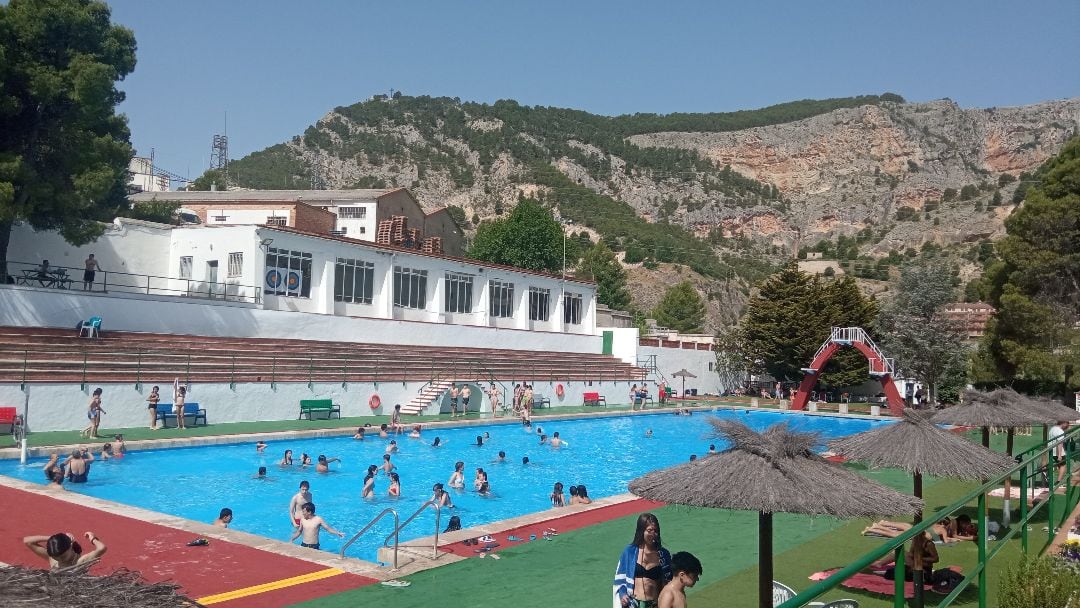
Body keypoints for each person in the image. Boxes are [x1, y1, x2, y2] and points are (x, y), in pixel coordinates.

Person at [613, 513, 673, 608]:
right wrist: (623, 594)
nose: (653, 534)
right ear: (641, 531)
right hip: (633, 603)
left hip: (654, 604)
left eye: (656, 531)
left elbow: (669, 582)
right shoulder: (629, 552)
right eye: (649, 530)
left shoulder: (663, 554)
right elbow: (620, 579)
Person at [24, 532, 107, 570]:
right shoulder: (52, 558)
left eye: (63, 556)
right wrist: (52, 538)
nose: (60, 560)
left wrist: (92, 538)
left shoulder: (80, 562)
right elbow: (27, 541)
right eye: (56, 558)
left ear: (70, 546)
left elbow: (101, 548)